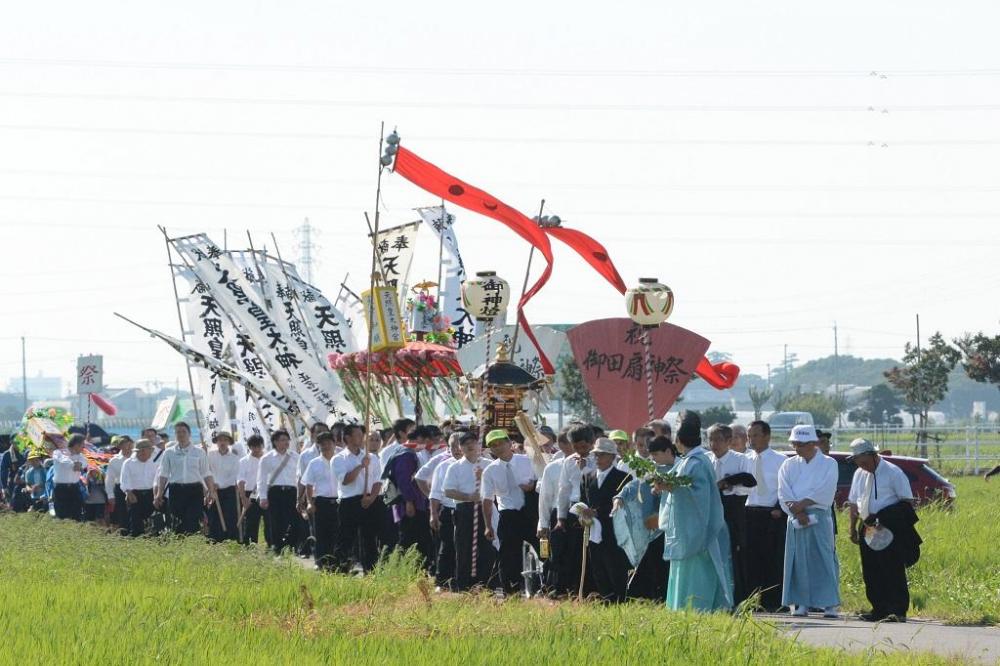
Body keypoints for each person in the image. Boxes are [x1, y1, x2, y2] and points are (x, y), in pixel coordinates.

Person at [658, 411, 733, 611]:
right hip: (684, 532)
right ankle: (680, 611)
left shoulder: (697, 462)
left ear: (680, 438)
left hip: (696, 534)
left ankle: (696, 612)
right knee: (683, 575)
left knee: (696, 578)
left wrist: (671, 488)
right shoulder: (686, 461)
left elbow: (700, 498)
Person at [847, 438, 920, 622]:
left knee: (892, 569)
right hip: (868, 527)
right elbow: (854, 504)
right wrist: (853, 528)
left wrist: (884, 517)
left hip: (889, 528)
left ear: (873, 455)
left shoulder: (893, 472)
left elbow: (907, 502)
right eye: (858, 463)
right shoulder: (859, 474)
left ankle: (897, 610)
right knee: (871, 570)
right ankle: (878, 609)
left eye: (864, 462)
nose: (862, 466)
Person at [778, 424, 840, 618]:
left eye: (803, 444)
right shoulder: (788, 464)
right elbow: (783, 490)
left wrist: (804, 504)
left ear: (813, 443)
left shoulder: (829, 463)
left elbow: (826, 489)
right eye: (795, 444)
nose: (798, 448)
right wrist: (796, 510)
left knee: (824, 557)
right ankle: (801, 602)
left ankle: (829, 604)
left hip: (818, 514)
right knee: (799, 560)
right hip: (796, 516)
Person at [612, 435, 676, 601]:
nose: (653, 459)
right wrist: (620, 497)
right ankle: (655, 597)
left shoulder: (680, 468)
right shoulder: (653, 470)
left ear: (668, 451)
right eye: (651, 456)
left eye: (655, 455)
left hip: (675, 526)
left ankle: (668, 597)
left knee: (669, 566)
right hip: (654, 527)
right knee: (653, 563)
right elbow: (635, 485)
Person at [481, 429, 538, 595]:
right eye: (493, 445)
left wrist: (532, 486)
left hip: (530, 512)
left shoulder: (527, 461)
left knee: (544, 548)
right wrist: (487, 526)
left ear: (509, 443)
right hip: (508, 514)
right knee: (508, 555)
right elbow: (486, 499)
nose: (498, 448)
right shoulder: (490, 470)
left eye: (500, 443)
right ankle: (511, 590)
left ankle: (548, 583)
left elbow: (542, 480)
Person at [707, 423, 755, 606]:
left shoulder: (740, 460)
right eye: (711, 439)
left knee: (734, 552)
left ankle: (737, 597)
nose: (714, 444)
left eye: (718, 440)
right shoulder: (706, 460)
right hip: (711, 509)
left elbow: (750, 483)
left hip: (733, 509)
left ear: (729, 441)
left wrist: (728, 483)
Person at [743, 420, 788, 612]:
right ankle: (752, 601)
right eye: (749, 436)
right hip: (749, 513)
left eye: (755, 435)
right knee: (750, 560)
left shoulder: (781, 460)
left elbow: (786, 487)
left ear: (767, 436)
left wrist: (779, 507)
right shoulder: (744, 459)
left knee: (772, 559)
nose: (752, 440)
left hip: (771, 515)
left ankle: (773, 602)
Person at [580, 438, 632, 603]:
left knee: (615, 564)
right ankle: (605, 596)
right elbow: (583, 500)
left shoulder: (623, 478)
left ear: (611, 457)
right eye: (595, 454)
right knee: (597, 564)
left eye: (601, 455)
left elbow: (624, 505)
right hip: (593, 529)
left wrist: (599, 512)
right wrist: (583, 514)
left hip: (614, 529)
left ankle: (619, 598)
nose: (597, 458)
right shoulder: (587, 477)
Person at [444, 432, 495, 591]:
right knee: (463, 548)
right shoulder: (454, 467)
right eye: (466, 443)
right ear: (460, 447)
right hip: (464, 510)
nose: (470, 446)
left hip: (486, 509)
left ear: (479, 445)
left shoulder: (488, 464)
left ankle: (485, 584)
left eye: (473, 442)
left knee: (487, 547)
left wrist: (483, 480)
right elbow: (448, 491)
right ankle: (464, 585)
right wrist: (468, 497)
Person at [555, 424, 598, 597]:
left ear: (592, 442)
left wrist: (586, 468)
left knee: (593, 550)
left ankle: (594, 589)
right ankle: (576, 590)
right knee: (575, 550)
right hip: (575, 508)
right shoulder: (569, 461)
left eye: (584, 446)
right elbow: (563, 489)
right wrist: (561, 517)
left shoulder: (599, 458)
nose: (580, 450)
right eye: (576, 447)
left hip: (594, 507)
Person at [333, 424, 383, 573]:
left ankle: (371, 571)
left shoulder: (372, 457)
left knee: (369, 539)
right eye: (357, 435)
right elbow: (346, 480)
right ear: (347, 438)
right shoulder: (338, 459)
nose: (361, 438)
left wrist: (372, 497)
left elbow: (377, 481)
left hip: (369, 501)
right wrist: (361, 466)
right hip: (349, 502)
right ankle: (342, 570)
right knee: (346, 538)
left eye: (362, 435)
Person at [383, 426, 433, 567]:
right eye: (426, 440)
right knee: (408, 538)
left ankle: (415, 567)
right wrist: (409, 502)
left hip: (415, 502)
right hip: (408, 505)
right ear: (419, 439)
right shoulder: (405, 454)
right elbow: (404, 481)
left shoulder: (408, 453)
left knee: (417, 538)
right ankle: (401, 567)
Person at [155, 422, 216, 535]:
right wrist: (159, 493)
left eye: (184, 432)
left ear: (189, 434)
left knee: (192, 518)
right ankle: (179, 542)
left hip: (194, 489)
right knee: (177, 518)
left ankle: (191, 542)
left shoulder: (199, 452)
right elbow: (163, 474)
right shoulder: (169, 452)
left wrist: (211, 491)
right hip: (176, 489)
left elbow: (206, 473)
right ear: (175, 434)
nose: (181, 434)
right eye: (178, 432)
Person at [536, 429, 574, 594]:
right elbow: (545, 498)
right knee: (556, 552)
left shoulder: (587, 464)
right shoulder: (552, 468)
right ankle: (553, 588)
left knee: (575, 552)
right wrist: (543, 523)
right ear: (563, 445)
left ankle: (574, 588)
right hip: (557, 514)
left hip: (579, 514)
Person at [429, 432, 465, 591]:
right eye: (453, 446)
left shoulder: (478, 464)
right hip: (449, 511)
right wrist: (433, 514)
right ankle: (442, 582)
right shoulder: (443, 466)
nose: (457, 449)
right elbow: (435, 493)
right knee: (447, 546)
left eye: (460, 445)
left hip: (468, 511)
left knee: (466, 548)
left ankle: (464, 581)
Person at [257, 429, 300, 554]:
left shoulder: (295, 457)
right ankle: (276, 546)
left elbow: (300, 476)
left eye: (287, 440)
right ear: (275, 442)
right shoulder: (266, 458)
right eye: (282, 440)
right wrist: (263, 497)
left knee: (294, 521)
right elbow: (262, 479)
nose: (285, 443)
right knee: (275, 521)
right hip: (275, 492)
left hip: (292, 492)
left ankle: (291, 545)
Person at [303, 432, 340, 571]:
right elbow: (308, 484)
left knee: (337, 532)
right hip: (321, 502)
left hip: (338, 501)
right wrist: (310, 502)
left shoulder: (340, 460)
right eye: (322, 444)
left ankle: (337, 562)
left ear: (334, 443)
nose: (325, 446)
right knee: (320, 533)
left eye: (328, 443)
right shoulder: (314, 463)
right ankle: (320, 562)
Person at [207, 431, 241, 542]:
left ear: (229, 442)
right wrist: (212, 484)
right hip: (213, 490)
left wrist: (220, 484)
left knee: (230, 516)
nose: (222, 442)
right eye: (220, 440)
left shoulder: (234, 458)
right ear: (216, 442)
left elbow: (234, 476)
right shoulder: (210, 455)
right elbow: (207, 471)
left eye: (225, 440)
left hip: (229, 490)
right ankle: (215, 540)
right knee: (214, 515)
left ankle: (231, 540)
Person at [120, 439, 158, 537]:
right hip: (135, 494)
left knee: (154, 519)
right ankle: (137, 539)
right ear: (136, 451)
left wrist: (158, 495)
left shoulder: (155, 463)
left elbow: (159, 480)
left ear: (150, 451)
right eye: (141, 450)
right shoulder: (128, 463)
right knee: (135, 521)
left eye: (146, 450)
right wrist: (128, 492)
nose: (143, 452)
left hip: (152, 493)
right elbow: (124, 480)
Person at [237, 435, 267, 545]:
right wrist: (243, 498)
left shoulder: (268, 458)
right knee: (251, 522)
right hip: (250, 494)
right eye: (254, 447)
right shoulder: (244, 461)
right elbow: (240, 481)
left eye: (259, 446)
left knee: (269, 521)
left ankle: (271, 546)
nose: (257, 449)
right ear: (249, 447)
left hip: (265, 493)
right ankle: (249, 546)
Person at [52, 434, 88, 521]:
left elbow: (81, 466)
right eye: (82, 445)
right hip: (61, 489)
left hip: (74, 488)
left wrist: (76, 464)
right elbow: (64, 461)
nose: (83, 448)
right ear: (76, 444)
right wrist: (74, 464)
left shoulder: (81, 456)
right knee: (62, 516)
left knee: (77, 515)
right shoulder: (58, 452)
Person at [104, 435, 133, 531]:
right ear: (120, 446)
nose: (128, 447)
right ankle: (124, 535)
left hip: (136, 489)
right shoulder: (114, 460)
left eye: (130, 444)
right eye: (125, 444)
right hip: (120, 489)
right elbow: (109, 479)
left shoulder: (137, 457)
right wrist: (110, 495)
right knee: (122, 514)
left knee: (136, 514)